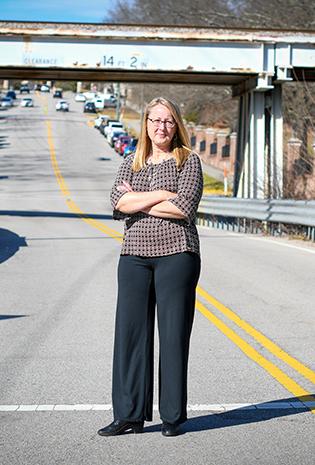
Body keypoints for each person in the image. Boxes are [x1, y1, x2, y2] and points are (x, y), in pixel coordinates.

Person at [98, 97, 203, 437]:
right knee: (130, 336)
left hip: (178, 254)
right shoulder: (132, 162)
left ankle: (172, 417)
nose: (162, 127)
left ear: (177, 126)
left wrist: (138, 201)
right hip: (134, 258)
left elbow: (184, 207)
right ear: (145, 125)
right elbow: (118, 202)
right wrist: (161, 193)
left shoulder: (189, 161)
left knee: (172, 337)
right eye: (156, 120)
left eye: (169, 121)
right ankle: (128, 415)